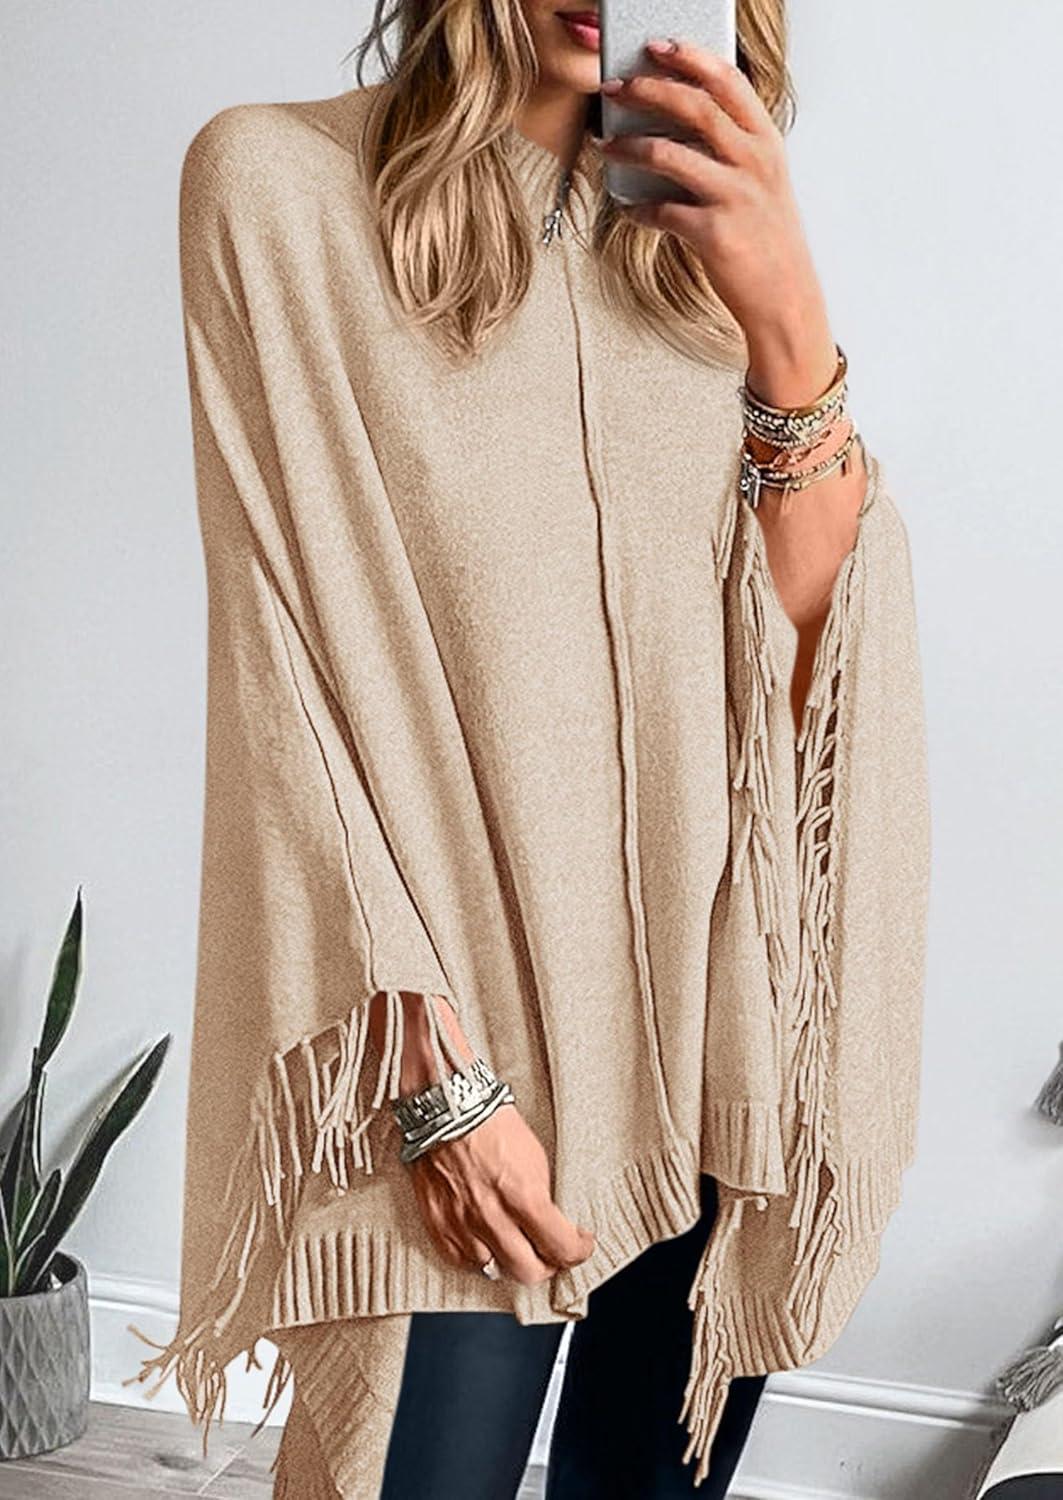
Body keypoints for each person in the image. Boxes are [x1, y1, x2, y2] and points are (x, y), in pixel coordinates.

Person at [126, 0, 932, 1495]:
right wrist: (433, 1089)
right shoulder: (275, 188)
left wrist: (786, 318)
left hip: (722, 1052)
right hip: (455, 1052)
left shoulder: (709, 257)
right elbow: (284, 678)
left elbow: (816, 671)